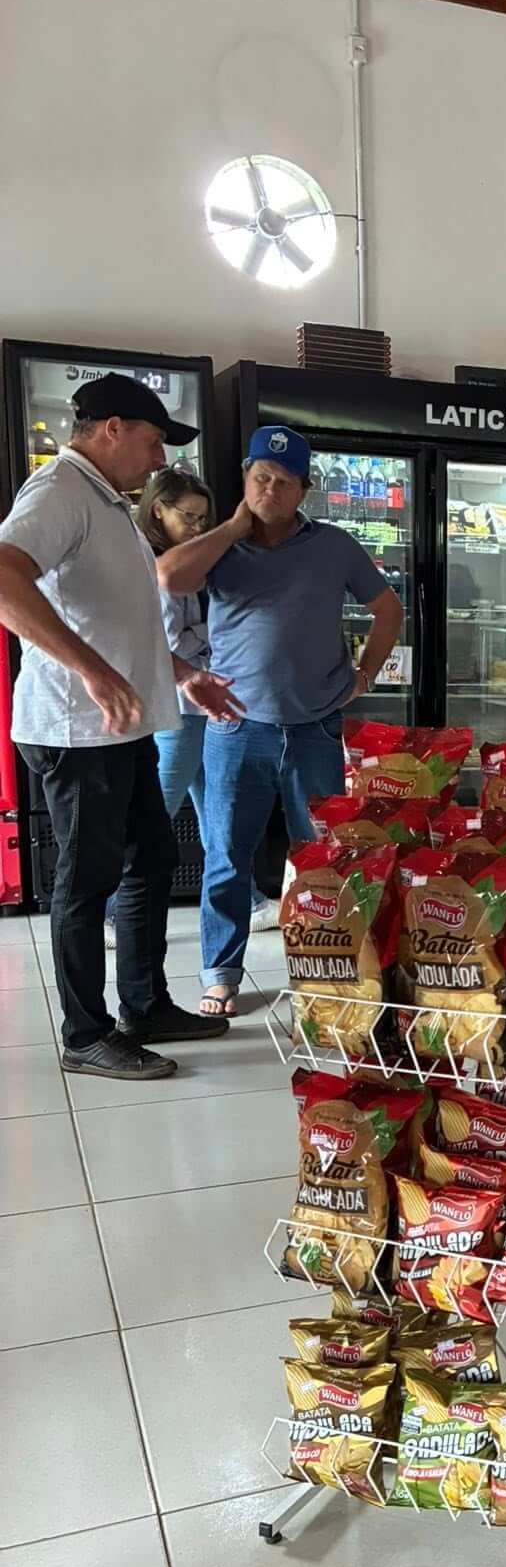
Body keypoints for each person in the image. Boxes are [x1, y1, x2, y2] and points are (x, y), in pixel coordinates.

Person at [0, 374, 243, 1079]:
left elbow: (119, 623)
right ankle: (85, 1035)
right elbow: (5, 575)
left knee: (153, 860)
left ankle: (145, 1005)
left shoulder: (107, 501)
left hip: (122, 726)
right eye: (154, 440)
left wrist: (183, 673)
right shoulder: (59, 491)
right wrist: (92, 672)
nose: (160, 458)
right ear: (112, 429)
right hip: (77, 730)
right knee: (87, 882)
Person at [160, 424, 404, 1017]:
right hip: (235, 728)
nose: (270, 489)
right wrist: (232, 528)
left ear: (304, 490)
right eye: (260, 477)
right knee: (226, 855)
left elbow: (387, 608)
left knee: (323, 857)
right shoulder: (221, 546)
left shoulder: (334, 546)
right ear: (246, 479)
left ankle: (325, 972)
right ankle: (221, 973)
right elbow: (168, 578)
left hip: (315, 728)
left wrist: (365, 674)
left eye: (284, 481)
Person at [103, 468, 275, 944]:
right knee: (158, 810)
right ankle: (113, 909)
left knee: (215, 810)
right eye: (189, 517)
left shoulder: (178, 560)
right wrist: (218, 630)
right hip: (178, 708)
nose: (198, 527)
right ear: (158, 510)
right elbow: (169, 643)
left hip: (199, 708)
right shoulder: (159, 568)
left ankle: (248, 900)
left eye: (204, 518)